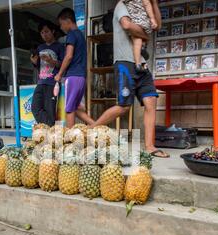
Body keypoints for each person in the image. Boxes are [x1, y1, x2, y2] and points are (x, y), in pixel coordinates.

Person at [91, 1, 168, 158]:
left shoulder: (143, 5)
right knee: (124, 107)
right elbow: (127, 25)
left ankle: (149, 146)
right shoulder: (122, 6)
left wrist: (154, 4)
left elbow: (158, 25)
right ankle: (91, 128)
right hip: (124, 62)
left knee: (151, 101)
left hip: (141, 64)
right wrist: (145, 34)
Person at [54, 8, 95, 128]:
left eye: (61, 24)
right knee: (76, 108)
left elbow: (68, 56)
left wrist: (59, 74)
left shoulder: (71, 35)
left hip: (72, 76)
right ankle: (99, 127)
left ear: (67, 21)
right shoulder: (81, 36)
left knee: (69, 109)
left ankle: (70, 141)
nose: (61, 27)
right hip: (81, 77)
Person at [30, 22, 65, 127]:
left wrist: (51, 60)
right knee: (35, 107)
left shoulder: (59, 47)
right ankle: (49, 126)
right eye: (42, 33)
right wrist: (34, 61)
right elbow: (39, 66)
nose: (44, 35)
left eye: (46, 31)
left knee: (50, 110)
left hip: (53, 83)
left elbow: (62, 65)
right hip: (41, 82)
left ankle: (48, 132)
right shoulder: (40, 47)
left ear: (52, 31)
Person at [123, 0, 159, 73]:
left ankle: (138, 64)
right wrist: (152, 19)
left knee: (136, 42)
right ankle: (143, 47)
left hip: (133, 21)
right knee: (144, 35)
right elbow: (146, 4)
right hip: (142, 20)